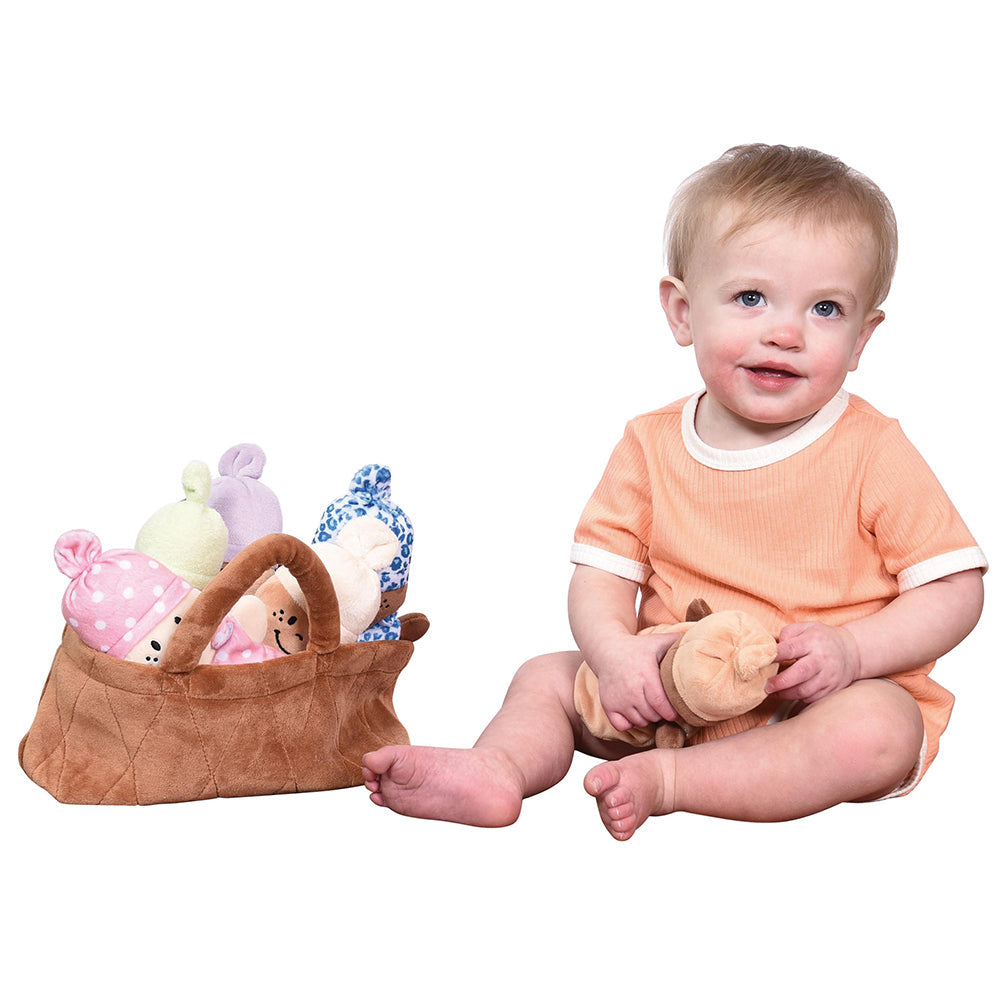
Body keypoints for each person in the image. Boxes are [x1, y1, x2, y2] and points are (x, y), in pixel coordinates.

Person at [362, 144, 987, 840]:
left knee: (878, 729)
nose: (785, 332)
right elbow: (601, 577)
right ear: (683, 311)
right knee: (545, 676)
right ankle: (499, 768)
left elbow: (955, 587)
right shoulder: (650, 443)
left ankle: (670, 784)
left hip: (807, 703)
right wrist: (616, 657)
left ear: (864, 335)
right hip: (662, 694)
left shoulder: (873, 450)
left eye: (827, 309)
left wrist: (855, 653)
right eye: (751, 298)